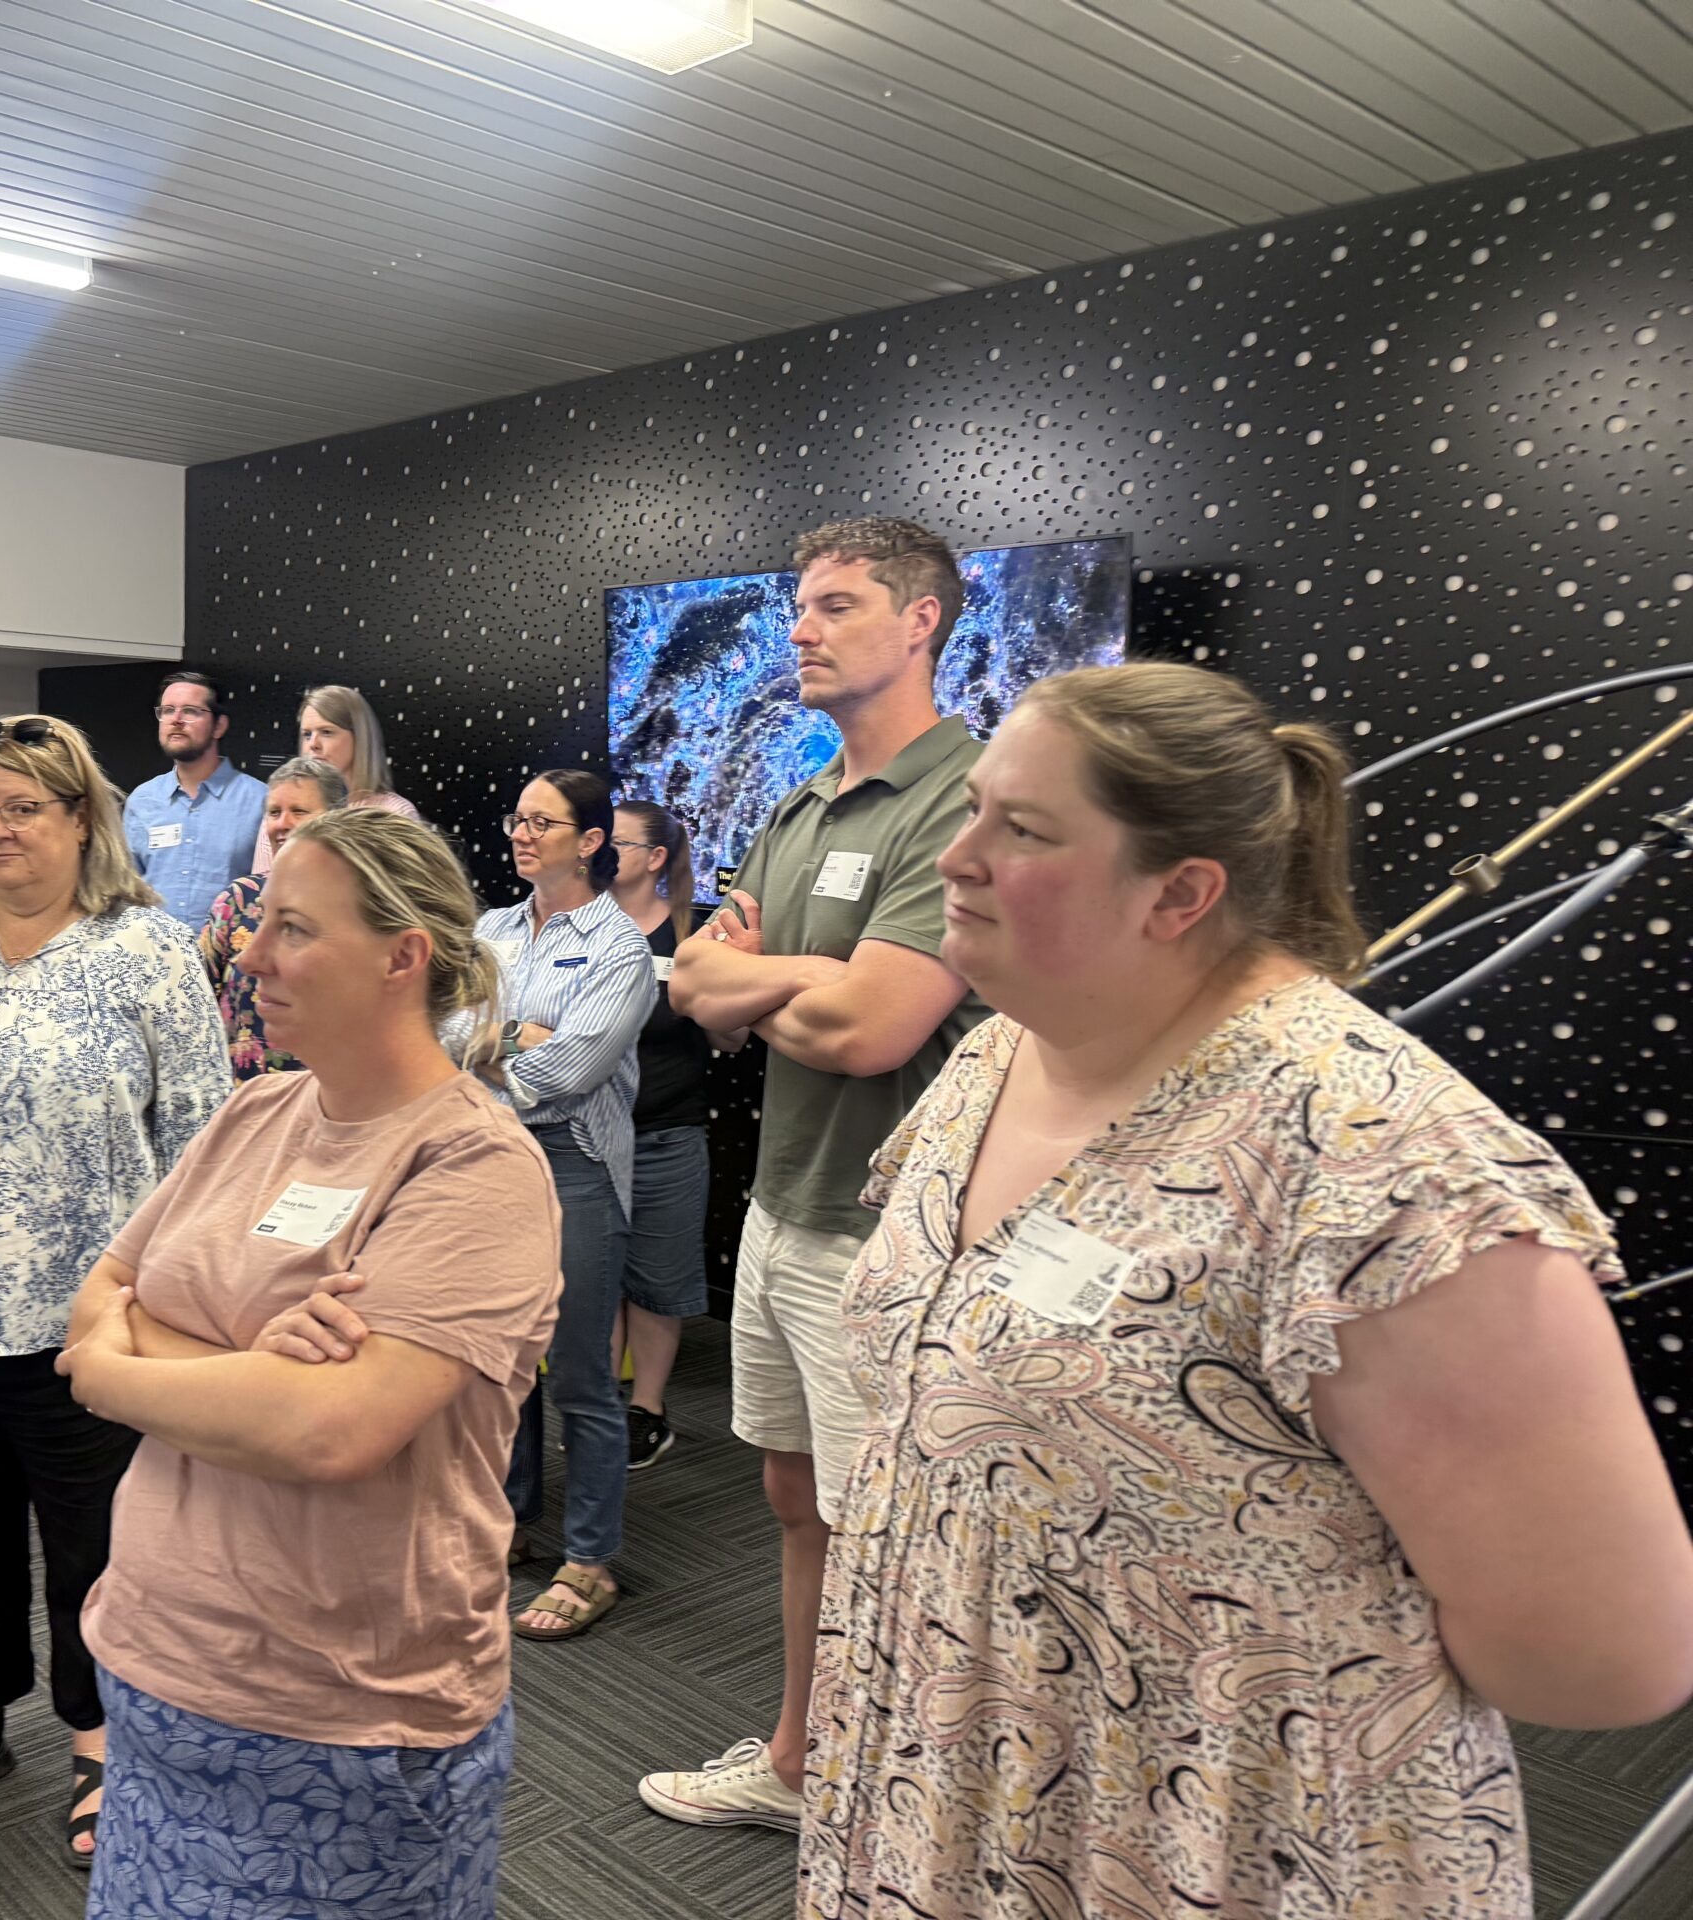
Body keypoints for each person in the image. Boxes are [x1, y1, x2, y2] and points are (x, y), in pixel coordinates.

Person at [800, 660, 1693, 1917]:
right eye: (971, 810)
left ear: (1180, 892)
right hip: (947, 1765)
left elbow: (1603, 1656)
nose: (956, 857)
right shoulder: (994, 1058)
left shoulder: (1379, 1160)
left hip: (1216, 1831)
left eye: (1024, 830)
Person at [57, 806, 561, 1918]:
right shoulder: (256, 1111)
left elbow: (330, 1430)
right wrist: (253, 1364)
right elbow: (98, 1298)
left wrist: (114, 1374)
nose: (248, 955)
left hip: (339, 1722)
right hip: (155, 1666)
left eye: (292, 928)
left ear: (400, 957)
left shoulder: (475, 1167)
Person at [644, 517, 985, 1830]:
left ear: (920, 622)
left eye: (837, 605)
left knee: (884, 1523)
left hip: (889, 1227)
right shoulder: (797, 806)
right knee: (796, 1499)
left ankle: (897, 1797)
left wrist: (773, 986)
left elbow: (872, 1030)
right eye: (800, 606)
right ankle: (804, 1762)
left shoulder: (964, 798)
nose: (800, 629)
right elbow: (697, 986)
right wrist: (803, 984)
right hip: (781, 1206)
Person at [0, 714, 229, 1864]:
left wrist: (168, 1311)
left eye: (22, 808)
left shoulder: (147, 947)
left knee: (95, 1547)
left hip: (86, 1316)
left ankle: (98, 1734)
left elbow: (201, 1142)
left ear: (81, 819)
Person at [476, 767, 655, 1641]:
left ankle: (589, 1561)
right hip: (489, 1158)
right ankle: (509, 1523)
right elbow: (440, 1029)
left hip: (574, 1162)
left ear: (588, 843)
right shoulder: (490, 930)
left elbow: (574, 1070)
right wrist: (521, 1037)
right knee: (501, 1361)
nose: (521, 834)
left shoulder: (620, 948)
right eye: (517, 819)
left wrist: (494, 1044)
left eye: (540, 823)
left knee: (581, 1373)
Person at [608, 799, 711, 1470]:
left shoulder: (692, 936)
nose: (599, 850)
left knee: (657, 1281)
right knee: (599, 1277)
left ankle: (647, 1410)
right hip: (590, 1135)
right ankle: (606, 1403)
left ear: (654, 858)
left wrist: (718, 997)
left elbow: (730, 1038)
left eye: (616, 842)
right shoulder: (583, 924)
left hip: (668, 1133)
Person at [198, 753, 345, 1078]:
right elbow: (194, 1001)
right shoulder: (237, 901)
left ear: (337, 820)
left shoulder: (358, 907)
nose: (282, 824)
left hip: (331, 1092)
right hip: (240, 1093)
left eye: (299, 811)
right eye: (274, 812)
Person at [121, 670, 266, 929]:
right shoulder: (142, 801)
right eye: (167, 711)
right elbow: (127, 890)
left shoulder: (260, 801)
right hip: (155, 949)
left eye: (190, 711)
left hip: (230, 950)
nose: (176, 720)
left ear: (219, 726)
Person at [247, 682, 421, 870]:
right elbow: (262, 882)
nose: (313, 744)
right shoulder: (281, 812)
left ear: (360, 738)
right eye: (307, 734)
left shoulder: (394, 813)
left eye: (327, 732)